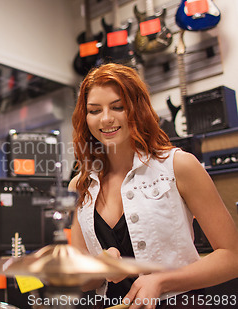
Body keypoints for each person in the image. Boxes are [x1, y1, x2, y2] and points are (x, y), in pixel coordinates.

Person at [68, 63, 238, 309]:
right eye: (95, 110)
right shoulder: (80, 186)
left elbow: (232, 257)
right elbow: (82, 282)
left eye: (118, 107)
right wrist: (100, 267)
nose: (106, 118)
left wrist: (162, 282)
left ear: (137, 109)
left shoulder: (178, 166)